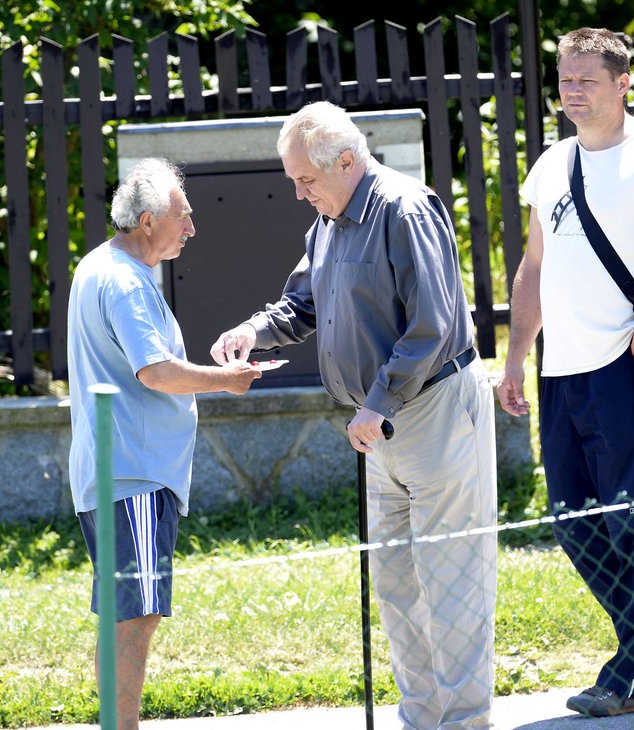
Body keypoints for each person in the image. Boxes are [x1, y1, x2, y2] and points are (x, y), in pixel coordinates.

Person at [210, 101, 498, 729]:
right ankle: (423, 719)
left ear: (347, 161)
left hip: (432, 409)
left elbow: (433, 324)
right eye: (292, 181)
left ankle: (466, 722)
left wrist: (377, 403)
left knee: (452, 580)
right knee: (397, 583)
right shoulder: (328, 220)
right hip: (379, 425)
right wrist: (251, 333)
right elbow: (300, 306)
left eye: (305, 180)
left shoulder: (404, 209)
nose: (298, 193)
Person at [496, 28, 634, 718]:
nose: (572, 92)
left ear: (624, 82)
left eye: (587, 79)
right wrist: (515, 356)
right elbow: (534, 267)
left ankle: (633, 675)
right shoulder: (552, 164)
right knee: (574, 523)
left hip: (629, 366)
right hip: (562, 371)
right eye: (565, 80)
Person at [67, 157, 261, 730]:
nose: (192, 228)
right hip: (136, 474)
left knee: (126, 614)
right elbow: (154, 370)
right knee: (137, 615)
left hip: (116, 470)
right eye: (185, 216)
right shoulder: (125, 281)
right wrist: (227, 379)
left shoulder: (101, 266)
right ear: (148, 221)